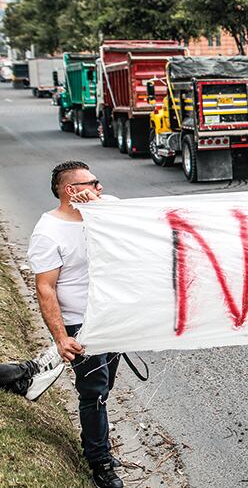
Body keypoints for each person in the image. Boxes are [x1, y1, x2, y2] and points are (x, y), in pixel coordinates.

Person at [27, 161, 123, 488]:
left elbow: (135, 233)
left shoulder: (107, 207)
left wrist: (99, 211)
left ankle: (25, 374)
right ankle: (99, 461)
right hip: (80, 324)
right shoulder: (48, 231)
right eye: (93, 183)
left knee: (105, 385)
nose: (101, 188)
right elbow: (45, 288)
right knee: (93, 393)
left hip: (111, 316)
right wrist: (60, 338)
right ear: (71, 190)